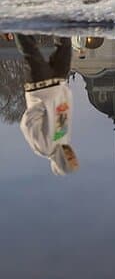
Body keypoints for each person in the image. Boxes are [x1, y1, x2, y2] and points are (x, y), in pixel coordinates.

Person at [16, 34, 79, 175]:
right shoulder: (65, 138)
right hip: (59, 82)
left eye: (69, 158)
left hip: (40, 86)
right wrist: (65, 94)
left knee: (30, 51)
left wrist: (44, 103)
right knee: (65, 46)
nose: (72, 154)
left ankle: (19, 23)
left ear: (61, 161)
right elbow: (63, 112)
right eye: (74, 157)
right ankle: (61, 17)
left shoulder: (44, 148)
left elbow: (27, 124)